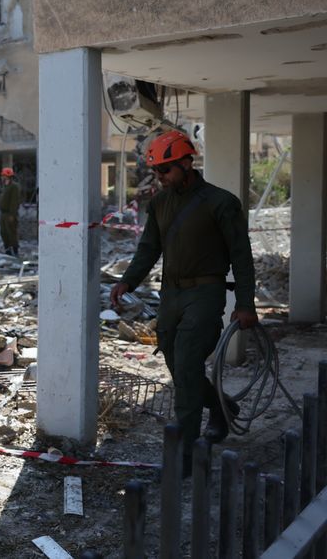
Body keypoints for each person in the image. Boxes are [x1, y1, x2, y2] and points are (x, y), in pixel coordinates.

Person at [110, 131, 257, 472]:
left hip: (206, 294)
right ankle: (220, 407)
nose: (160, 177)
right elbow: (149, 248)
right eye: (156, 171)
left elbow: (241, 255)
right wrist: (128, 280)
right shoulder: (160, 204)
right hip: (171, 295)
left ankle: (186, 454)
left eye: (165, 170)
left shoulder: (221, 202)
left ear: (187, 163)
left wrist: (246, 303)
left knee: (189, 363)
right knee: (178, 366)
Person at [0, 167, 21, 256]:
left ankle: (15, 250)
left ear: (7, 176)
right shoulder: (6, 186)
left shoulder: (14, 187)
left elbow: (14, 201)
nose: (2, 177)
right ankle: (7, 250)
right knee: (3, 233)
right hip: (4, 214)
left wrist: (12, 214)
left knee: (12, 233)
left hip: (9, 214)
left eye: (3, 175)